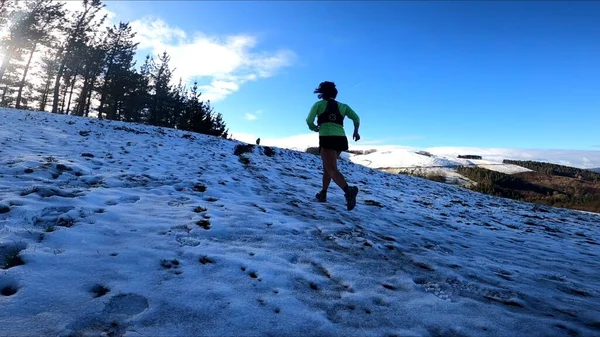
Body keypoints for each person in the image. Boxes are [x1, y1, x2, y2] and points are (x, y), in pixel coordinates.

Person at [305, 81, 360, 211]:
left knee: (331, 169)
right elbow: (356, 118)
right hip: (341, 139)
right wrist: (356, 131)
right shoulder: (343, 106)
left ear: (323, 94)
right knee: (328, 168)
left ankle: (348, 190)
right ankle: (323, 193)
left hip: (327, 138)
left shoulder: (319, 105)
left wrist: (314, 128)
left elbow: (309, 120)